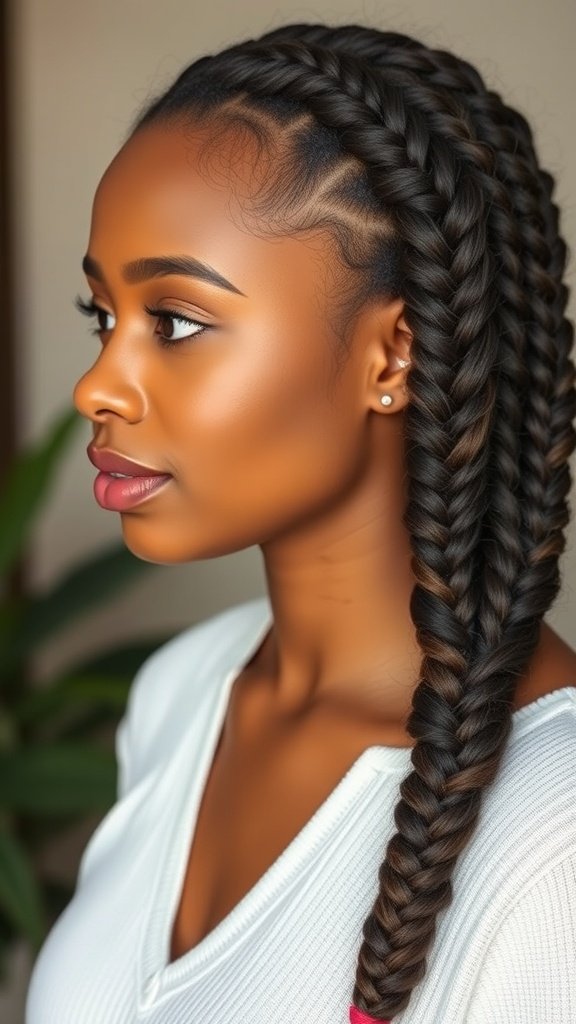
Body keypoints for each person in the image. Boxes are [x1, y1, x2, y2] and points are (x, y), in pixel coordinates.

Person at [25, 21, 576, 1024]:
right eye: (101, 316)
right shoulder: (183, 690)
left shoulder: (555, 847)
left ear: (394, 355)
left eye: (175, 321)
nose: (98, 386)